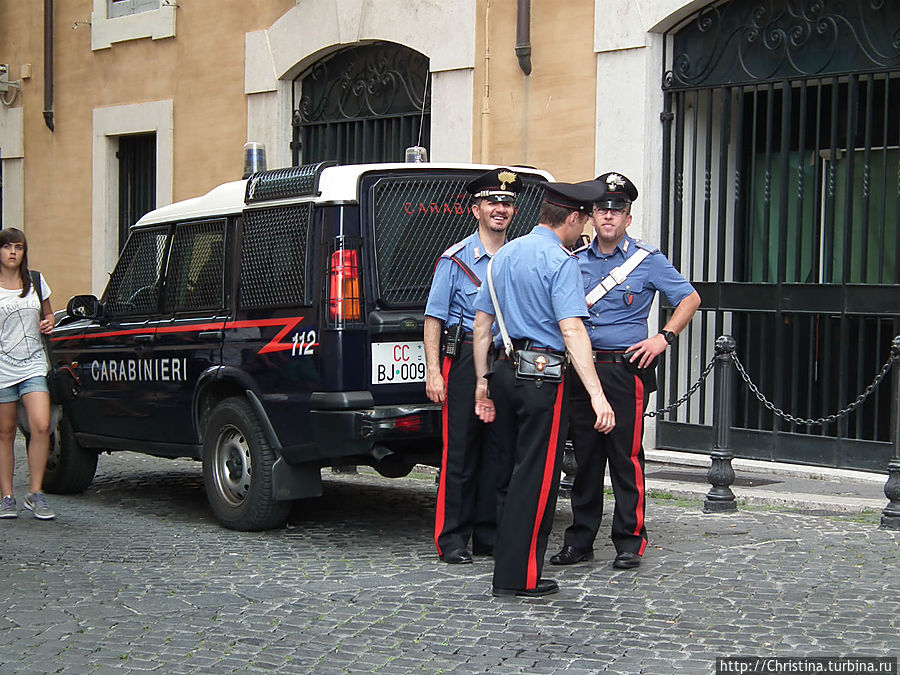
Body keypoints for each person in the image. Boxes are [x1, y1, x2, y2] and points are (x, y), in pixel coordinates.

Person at [471, 180, 616, 598]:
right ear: (572, 218)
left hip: (502, 372)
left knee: (510, 472)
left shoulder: (502, 256)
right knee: (536, 478)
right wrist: (596, 394)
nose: (585, 225)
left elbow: (482, 327)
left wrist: (482, 382)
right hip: (542, 376)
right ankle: (519, 577)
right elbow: (572, 329)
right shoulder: (560, 261)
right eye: (585, 218)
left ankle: (508, 567)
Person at [550, 172, 700, 570]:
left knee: (625, 456)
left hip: (625, 369)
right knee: (583, 459)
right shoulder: (574, 261)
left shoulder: (647, 261)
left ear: (628, 218)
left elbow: (689, 297)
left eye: (617, 211)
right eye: (602, 210)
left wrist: (663, 338)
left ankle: (629, 540)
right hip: (583, 370)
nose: (609, 218)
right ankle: (580, 540)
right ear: (592, 216)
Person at [424, 168, 521, 564]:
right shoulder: (455, 259)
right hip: (463, 359)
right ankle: (453, 539)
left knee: (500, 453)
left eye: (507, 203)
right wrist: (433, 371)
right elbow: (434, 319)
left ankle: (489, 535)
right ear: (476, 209)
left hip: (505, 360)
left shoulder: (519, 256)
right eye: (492, 202)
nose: (500, 209)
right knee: (460, 452)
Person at [0, 228, 57, 520]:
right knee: (6, 432)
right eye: (7, 246)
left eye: (18, 247)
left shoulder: (34, 280)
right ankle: (6, 496)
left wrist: (49, 322)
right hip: (1, 368)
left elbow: (49, 316)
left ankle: (36, 493)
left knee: (41, 424)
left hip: (33, 363)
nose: (12, 252)